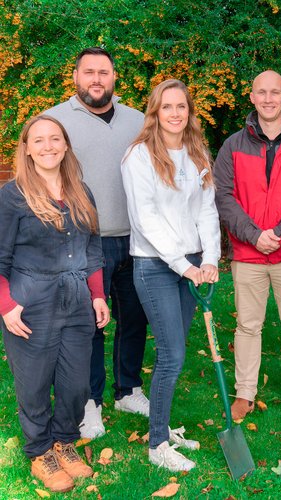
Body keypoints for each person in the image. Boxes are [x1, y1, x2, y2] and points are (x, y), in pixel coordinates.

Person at [0, 115, 109, 492]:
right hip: (30, 302)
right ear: (27, 149)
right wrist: (6, 305)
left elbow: (93, 250)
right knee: (33, 384)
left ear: (65, 145)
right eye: (39, 140)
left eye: (55, 139)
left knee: (77, 383)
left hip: (77, 299)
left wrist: (98, 295)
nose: (47, 146)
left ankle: (64, 440)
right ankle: (40, 451)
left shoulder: (82, 192)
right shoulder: (12, 195)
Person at [46, 47, 149, 439]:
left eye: (103, 72)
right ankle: (90, 402)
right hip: (84, 242)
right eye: (88, 72)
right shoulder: (56, 120)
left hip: (137, 240)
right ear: (75, 77)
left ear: (114, 77)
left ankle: (129, 389)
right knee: (89, 324)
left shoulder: (138, 121)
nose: (96, 79)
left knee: (133, 319)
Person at [121, 79, 221, 471]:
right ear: (155, 112)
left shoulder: (197, 154)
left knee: (173, 356)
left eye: (182, 106)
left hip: (193, 265)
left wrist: (209, 258)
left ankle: (161, 425)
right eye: (167, 107)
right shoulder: (139, 157)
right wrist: (185, 266)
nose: (176, 114)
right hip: (155, 265)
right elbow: (146, 221)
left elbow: (207, 211)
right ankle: (157, 444)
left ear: (189, 112)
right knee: (172, 354)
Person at [214, 70, 281, 422]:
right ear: (252, 97)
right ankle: (244, 393)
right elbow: (224, 196)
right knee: (247, 325)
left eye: (276, 92)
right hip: (248, 253)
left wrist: (280, 231)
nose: (269, 99)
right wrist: (253, 233)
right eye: (262, 92)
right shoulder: (233, 145)